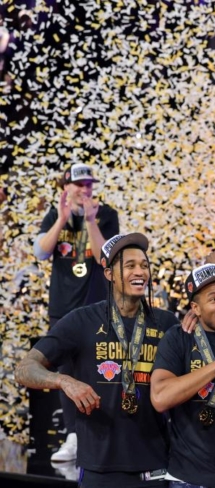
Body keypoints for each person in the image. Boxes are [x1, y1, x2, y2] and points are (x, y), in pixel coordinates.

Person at [15, 233, 179, 487]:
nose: (140, 272)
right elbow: (24, 369)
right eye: (130, 265)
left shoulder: (167, 323)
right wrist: (64, 381)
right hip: (98, 469)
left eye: (144, 265)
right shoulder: (81, 320)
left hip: (155, 466)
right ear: (109, 274)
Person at [34, 163, 120, 461]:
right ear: (66, 187)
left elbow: (105, 258)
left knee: (103, 369)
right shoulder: (55, 215)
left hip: (97, 306)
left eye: (88, 185)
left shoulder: (106, 214)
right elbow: (41, 252)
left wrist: (91, 222)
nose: (85, 190)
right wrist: (61, 219)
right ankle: (72, 436)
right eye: (79, 185)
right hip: (62, 307)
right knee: (66, 372)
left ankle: (101, 437)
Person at [150, 264, 215, 488]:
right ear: (195, 308)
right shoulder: (179, 338)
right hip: (190, 478)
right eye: (214, 299)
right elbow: (160, 397)